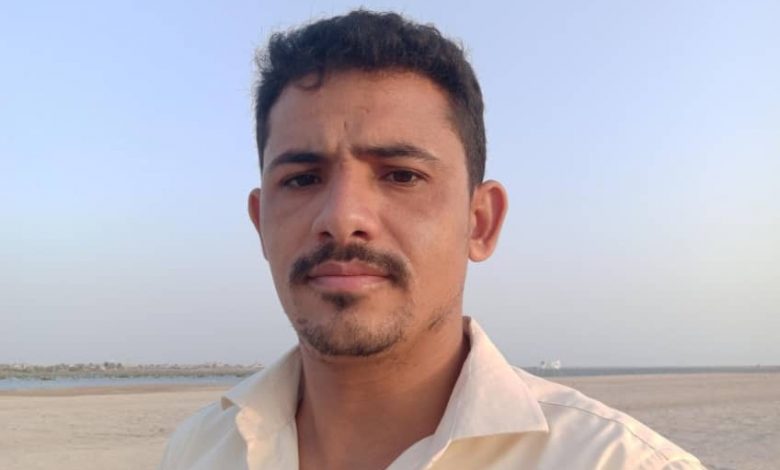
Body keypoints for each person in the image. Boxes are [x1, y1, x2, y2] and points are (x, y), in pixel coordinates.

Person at [160, 10, 704, 470]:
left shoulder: (613, 461)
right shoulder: (200, 449)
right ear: (261, 224)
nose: (342, 218)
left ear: (480, 222)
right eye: (302, 179)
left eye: (401, 175)